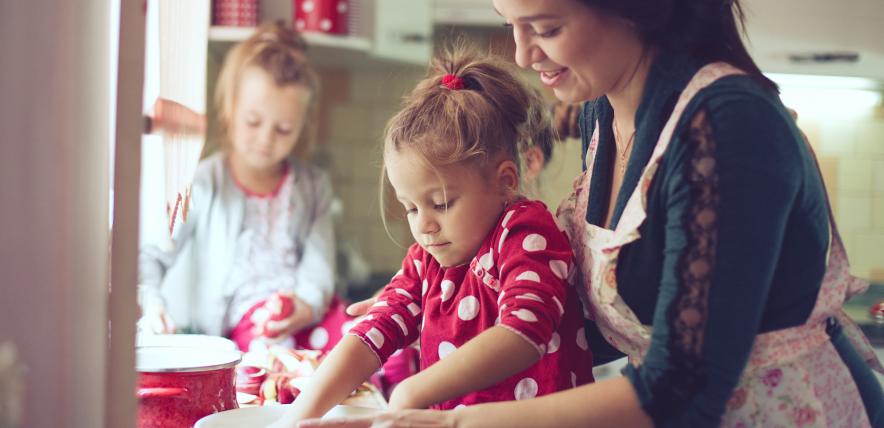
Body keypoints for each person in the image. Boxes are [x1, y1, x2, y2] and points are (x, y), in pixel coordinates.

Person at [300, 1, 884, 427]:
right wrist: (451, 312)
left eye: (547, 28)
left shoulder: (727, 126)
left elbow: (683, 387)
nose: (525, 54)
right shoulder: (600, 112)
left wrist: (453, 420)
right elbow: (580, 305)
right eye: (512, 26)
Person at [271, 46, 593, 425]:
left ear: (505, 181)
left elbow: (523, 334)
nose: (424, 225)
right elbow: (373, 332)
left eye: (440, 204)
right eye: (411, 208)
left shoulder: (525, 232)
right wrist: (293, 421)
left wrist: (412, 390)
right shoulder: (427, 260)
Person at [138, 21, 348, 354]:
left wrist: (304, 305)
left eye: (283, 129)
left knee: (367, 341)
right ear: (230, 107)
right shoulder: (203, 183)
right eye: (253, 122)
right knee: (276, 359)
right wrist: (150, 301)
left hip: (308, 314)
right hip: (246, 332)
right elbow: (151, 254)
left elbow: (319, 267)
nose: (266, 139)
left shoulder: (313, 186)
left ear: (302, 127)